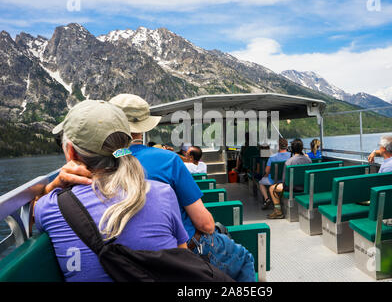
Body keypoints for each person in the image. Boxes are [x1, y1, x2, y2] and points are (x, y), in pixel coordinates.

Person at [34, 100, 189, 282]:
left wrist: (53, 186)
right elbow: (182, 260)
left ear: (71, 153)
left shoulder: (50, 205)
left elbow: (33, 216)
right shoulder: (163, 193)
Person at [108, 94, 255, 282]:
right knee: (244, 259)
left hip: (124, 258)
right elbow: (205, 225)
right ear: (143, 128)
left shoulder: (99, 165)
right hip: (180, 251)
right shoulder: (168, 160)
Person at [267, 138, 312, 219]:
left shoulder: (289, 162)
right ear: (301, 148)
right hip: (306, 187)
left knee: (271, 188)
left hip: (293, 188)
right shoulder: (308, 160)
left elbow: (285, 181)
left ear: (292, 149)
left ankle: (278, 212)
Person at [258, 138, 291, 210]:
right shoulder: (291, 156)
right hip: (286, 180)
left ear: (278, 146)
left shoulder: (272, 157)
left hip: (274, 181)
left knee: (260, 182)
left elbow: (267, 171)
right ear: (287, 145)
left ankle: (267, 199)